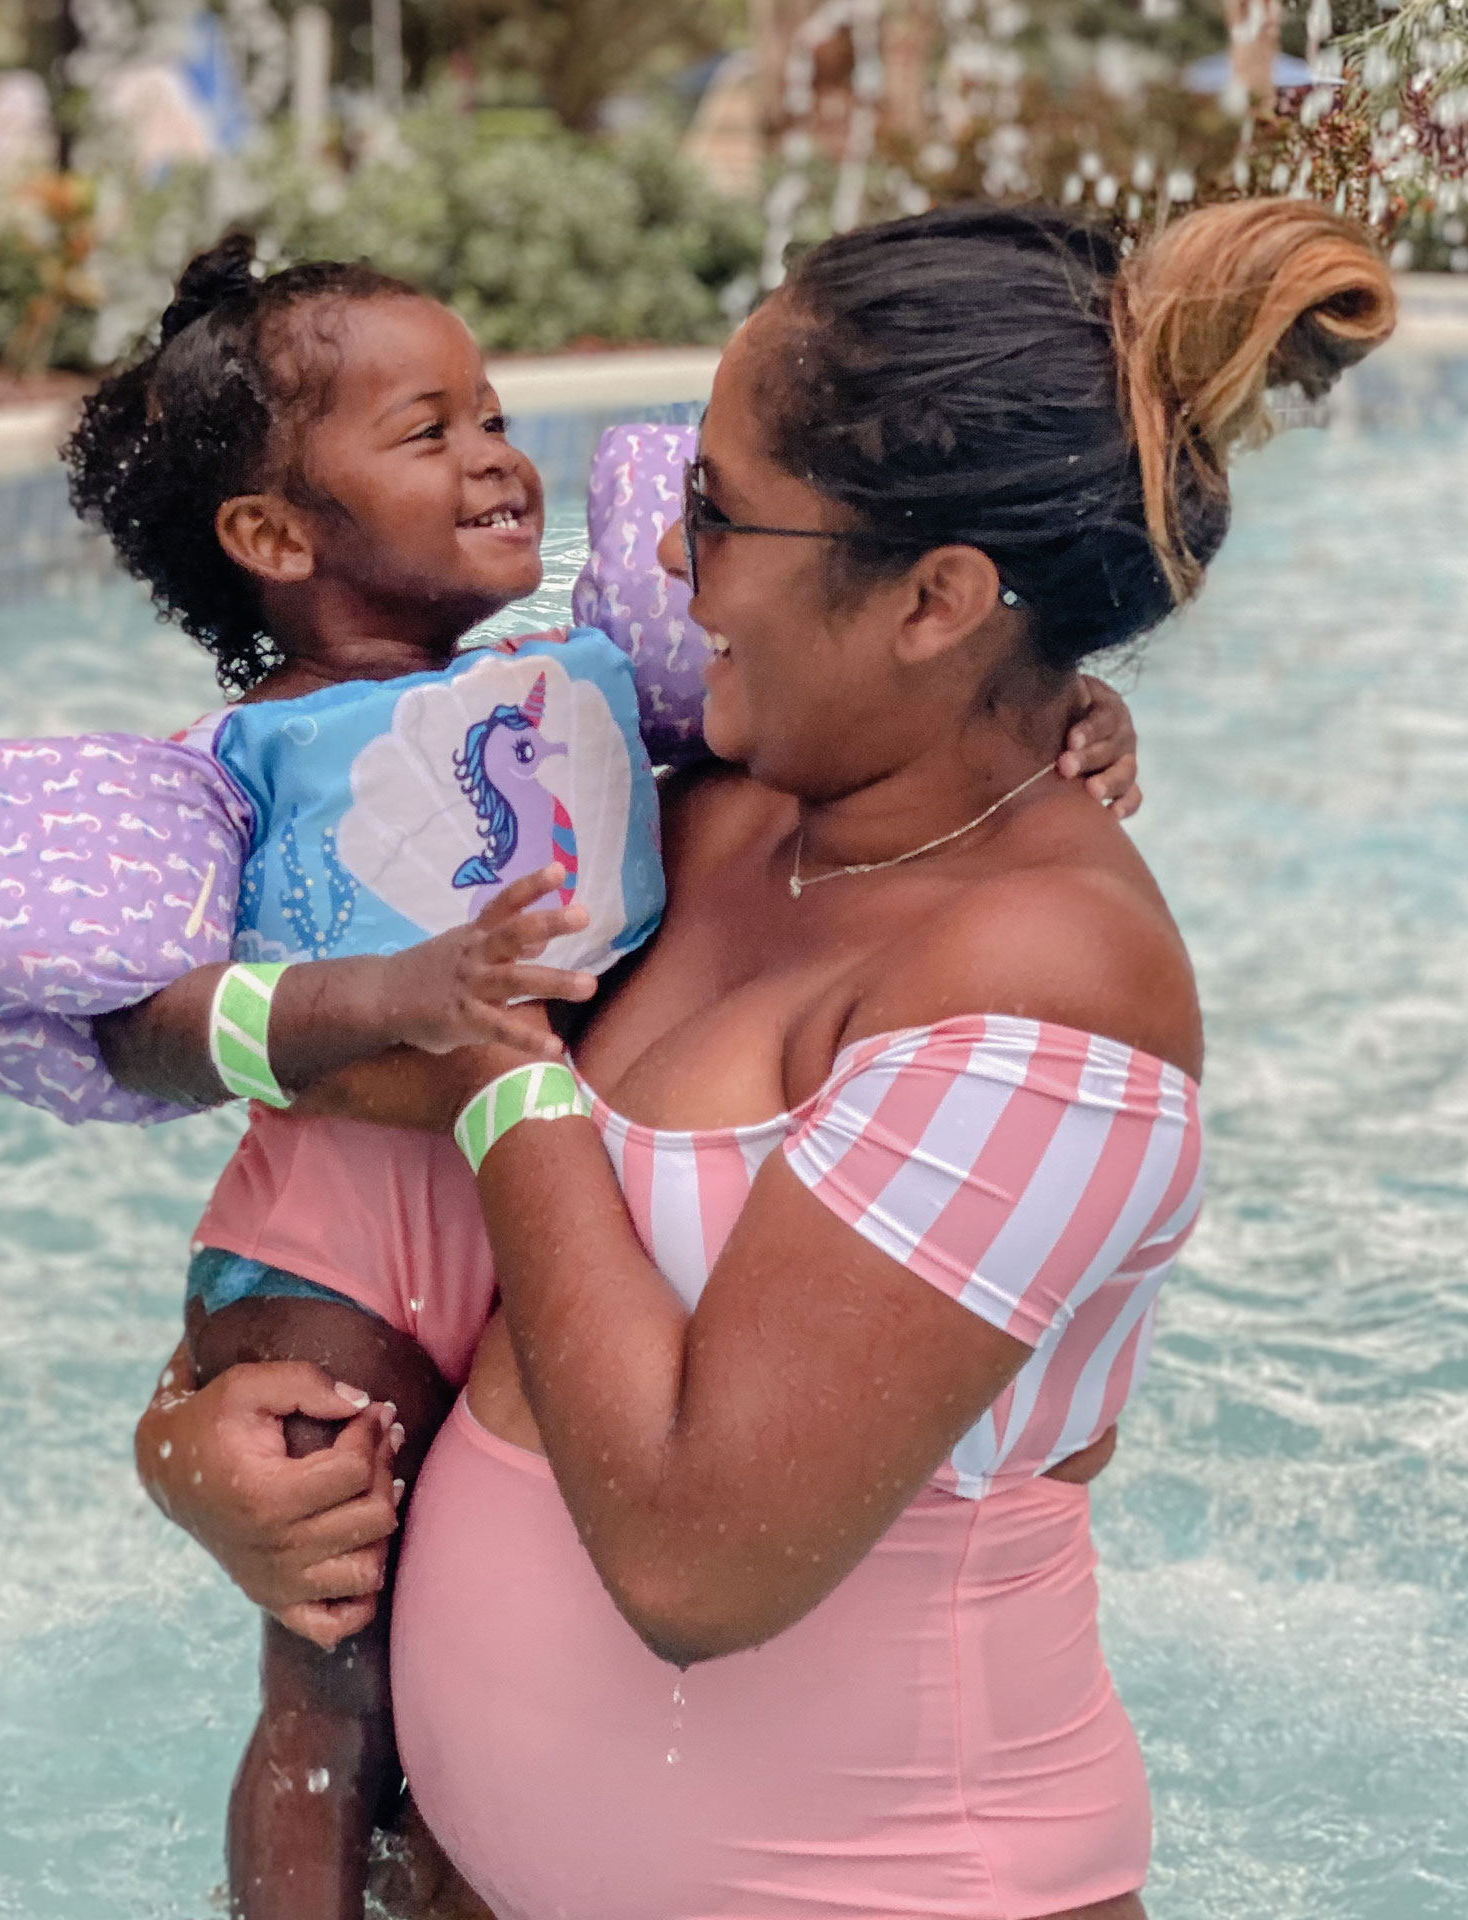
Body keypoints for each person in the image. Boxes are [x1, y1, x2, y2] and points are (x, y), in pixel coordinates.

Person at [130, 198, 1395, 1919]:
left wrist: (501, 1082)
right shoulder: (711, 826)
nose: (665, 562)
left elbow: (698, 1554)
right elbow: (382, 1230)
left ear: (937, 599)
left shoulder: (1050, 985)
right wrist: (199, 1458)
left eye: (718, 514)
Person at [0, 234, 1139, 1917]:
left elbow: (911, 739)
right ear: (270, 535)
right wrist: (370, 1012)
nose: (500, 458)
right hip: (344, 1227)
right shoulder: (233, 765)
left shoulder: (634, 714)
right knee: (328, 1671)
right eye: (429, 430)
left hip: (537, 1221)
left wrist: (1057, 707)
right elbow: (147, 1028)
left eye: (495, 414)